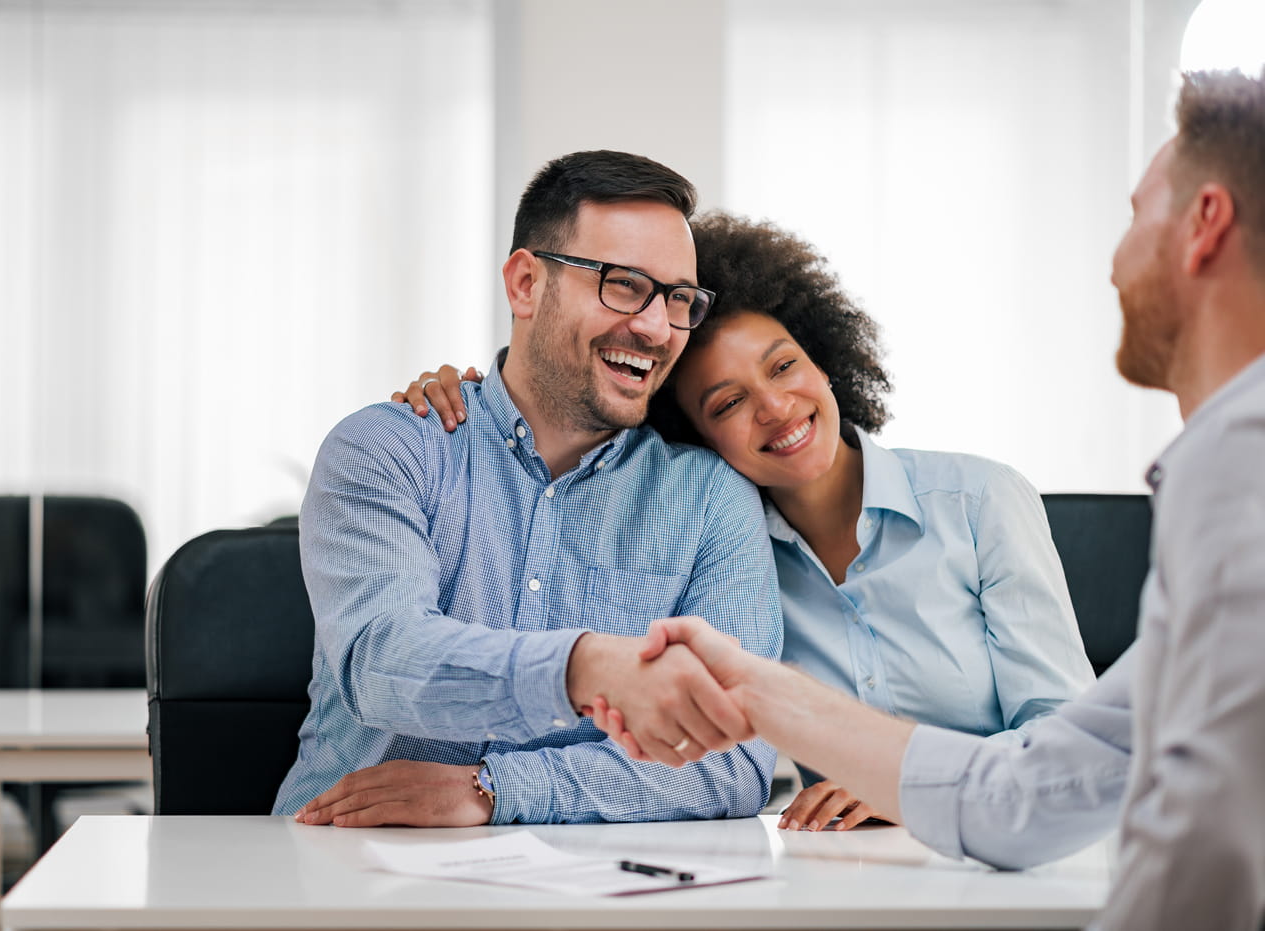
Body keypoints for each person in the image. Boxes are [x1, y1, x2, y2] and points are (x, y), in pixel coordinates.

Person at [597, 68, 1265, 931]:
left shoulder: (1232, 464)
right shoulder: (722, 555)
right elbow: (1045, 782)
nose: (1108, 261)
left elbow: (1202, 843)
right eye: (724, 404)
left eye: (1135, 214)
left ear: (1205, 224)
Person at [397, 218, 1094, 831]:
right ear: (697, 437)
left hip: (1021, 848)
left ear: (826, 358)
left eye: (785, 365)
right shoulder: (726, 554)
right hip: (853, 877)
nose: (776, 407)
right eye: (728, 402)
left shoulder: (980, 502)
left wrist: (911, 785)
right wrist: (470, 409)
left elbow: (1072, 740)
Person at [274, 149, 784, 828]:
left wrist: (496, 790)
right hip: (348, 866)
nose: (658, 327)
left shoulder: (711, 501)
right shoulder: (387, 448)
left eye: (679, 299)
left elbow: (732, 761)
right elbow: (382, 663)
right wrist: (586, 667)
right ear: (525, 284)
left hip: (591, 894)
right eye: (624, 284)